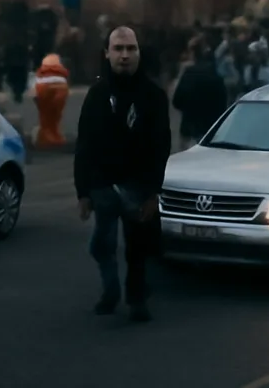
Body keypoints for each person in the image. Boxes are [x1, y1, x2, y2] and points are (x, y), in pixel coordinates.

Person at [74, 26, 171, 322]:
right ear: (107, 53)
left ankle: (137, 299)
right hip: (104, 186)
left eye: (131, 49)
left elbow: (160, 147)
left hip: (138, 186)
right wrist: (83, 193)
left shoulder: (153, 97)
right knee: (102, 245)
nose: (125, 55)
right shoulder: (97, 95)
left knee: (138, 247)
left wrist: (155, 192)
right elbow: (85, 144)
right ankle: (110, 290)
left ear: (139, 52)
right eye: (119, 49)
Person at [172, 44, 228, 149]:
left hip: (189, 129)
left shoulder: (189, 73)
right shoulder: (217, 77)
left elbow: (177, 100)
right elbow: (223, 105)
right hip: (210, 132)